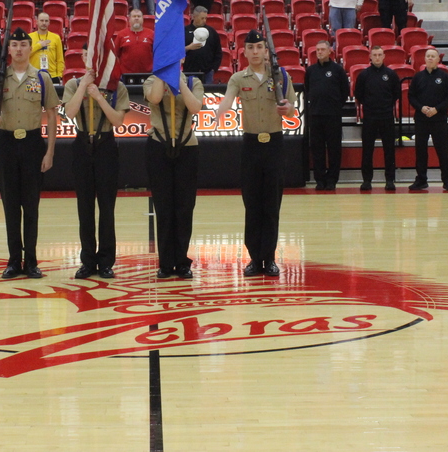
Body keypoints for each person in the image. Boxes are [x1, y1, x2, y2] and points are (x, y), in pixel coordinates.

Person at [214, 30, 297, 276]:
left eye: (259, 47)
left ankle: (269, 258)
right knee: (252, 204)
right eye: (250, 48)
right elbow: (228, 99)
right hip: (250, 146)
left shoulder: (281, 76)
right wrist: (221, 110)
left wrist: (288, 108)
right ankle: (254, 259)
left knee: (271, 205)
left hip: (274, 145)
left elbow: (292, 110)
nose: (255, 52)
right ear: (244, 52)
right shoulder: (239, 78)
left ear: (265, 50)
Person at [0, 28, 59, 280]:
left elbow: (51, 114)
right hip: (6, 144)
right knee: (10, 206)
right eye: (14, 44)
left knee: (31, 205)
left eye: (22, 45)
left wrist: (49, 152)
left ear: (30, 48)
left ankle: (32, 261)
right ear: (10, 50)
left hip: (32, 144)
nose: (18, 49)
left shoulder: (41, 77)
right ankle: (13, 260)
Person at [63, 52, 130, 279]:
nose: (92, 59)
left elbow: (118, 121)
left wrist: (99, 97)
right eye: (88, 54)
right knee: (85, 207)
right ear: (83, 57)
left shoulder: (116, 86)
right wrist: (83, 86)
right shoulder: (73, 84)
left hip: (106, 146)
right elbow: (70, 112)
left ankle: (106, 261)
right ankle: (88, 261)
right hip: (82, 145)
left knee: (106, 207)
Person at [144, 65, 204, 279]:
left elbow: (195, 107)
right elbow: (155, 98)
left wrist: (178, 81)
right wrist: (163, 75)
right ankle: (166, 263)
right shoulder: (152, 80)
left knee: (184, 207)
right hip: (159, 146)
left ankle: (182, 261)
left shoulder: (192, 82)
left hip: (187, 147)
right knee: (164, 206)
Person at [408, 49, 448, 192]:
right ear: (424, 59)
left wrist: (437, 109)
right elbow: (411, 96)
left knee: (442, 151)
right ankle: (421, 180)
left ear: (437, 59)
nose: (430, 58)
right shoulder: (418, 77)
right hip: (421, 119)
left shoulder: (445, 77)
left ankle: (447, 181)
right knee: (421, 151)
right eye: (427, 56)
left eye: (432, 56)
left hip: (439, 119)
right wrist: (421, 108)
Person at [355, 46, 401, 191]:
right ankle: (367, 180)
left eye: (379, 55)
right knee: (367, 150)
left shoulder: (391, 74)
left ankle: (390, 180)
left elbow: (396, 94)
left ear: (384, 56)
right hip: (369, 117)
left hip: (386, 116)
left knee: (389, 149)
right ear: (370, 56)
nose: (377, 57)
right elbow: (359, 94)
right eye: (374, 55)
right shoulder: (364, 75)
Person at [305, 40, 348, 190]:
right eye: (317, 50)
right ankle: (320, 179)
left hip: (333, 116)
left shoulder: (338, 70)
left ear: (330, 51)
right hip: (315, 115)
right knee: (317, 149)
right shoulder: (310, 71)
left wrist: (335, 106)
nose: (320, 52)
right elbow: (308, 90)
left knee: (334, 149)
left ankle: (332, 180)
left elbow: (345, 91)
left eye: (322, 49)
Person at [183, 6, 223, 84]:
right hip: (189, 72)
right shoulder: (184, 31)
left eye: (205, 18)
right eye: (202, 18)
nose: (204, 21)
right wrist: (188, 48)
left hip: (207, 72)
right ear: (194, 17)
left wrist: (213, 69)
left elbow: (218, 52)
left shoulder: (211, 32)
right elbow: (176, 51)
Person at [114, 9, 154, 75]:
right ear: (129, 19)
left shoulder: (151, 34)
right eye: (134, 16)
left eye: (139, 16)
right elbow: (116, 54)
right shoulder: (121, 34)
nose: (136, 18)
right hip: (125, 74)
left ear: (143, 19)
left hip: (148, 74)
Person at [31, 12, 64, 83]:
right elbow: (26, 54)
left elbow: (60, 59)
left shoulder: (56, 37)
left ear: (49, 22)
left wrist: (59, 75)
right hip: (33, 76)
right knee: (32, 94)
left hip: (52, 76)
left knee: (52, 94)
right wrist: (39, 45)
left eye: (46, 21)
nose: (44, 23)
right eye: (41, 20)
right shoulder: (30, 37)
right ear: (37, 22)